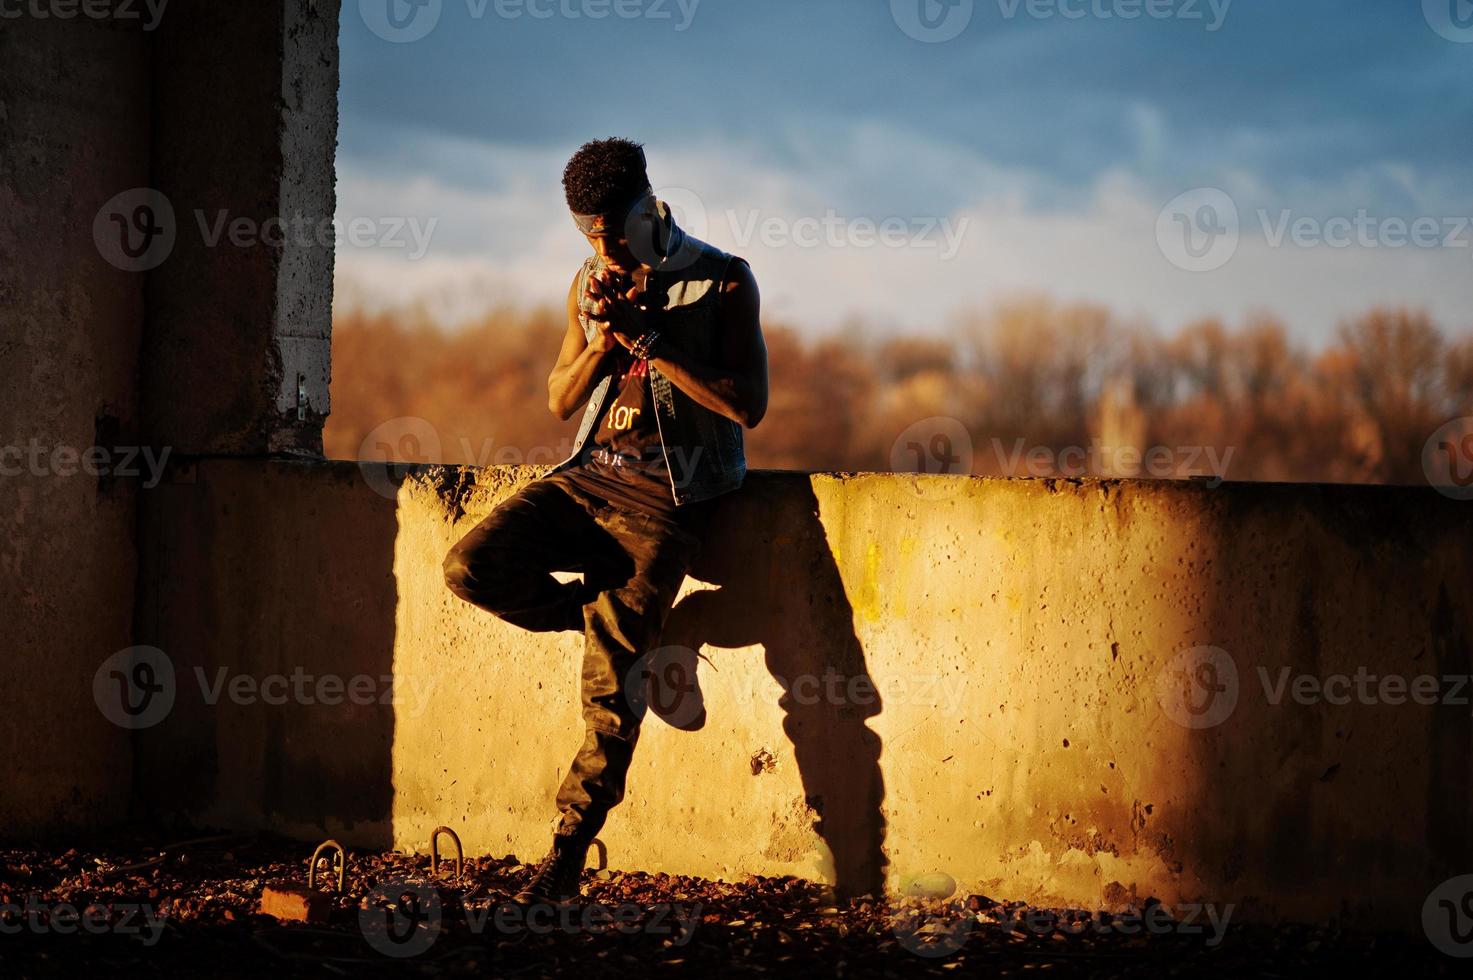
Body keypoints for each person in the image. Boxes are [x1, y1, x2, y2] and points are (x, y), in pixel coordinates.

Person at [443, 137, 769, 903]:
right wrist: (600, 339)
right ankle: (604, 623)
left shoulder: (722, 280)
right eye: (587, 232)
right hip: (585, 479)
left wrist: (651, 342)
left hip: (665, 503)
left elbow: (745, 406)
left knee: (610, 696)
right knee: (467, 569)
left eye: (614, 227)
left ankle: (564, 854)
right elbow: (559, 400)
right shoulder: (591, 278)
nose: (604, 244)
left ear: (649, 203)